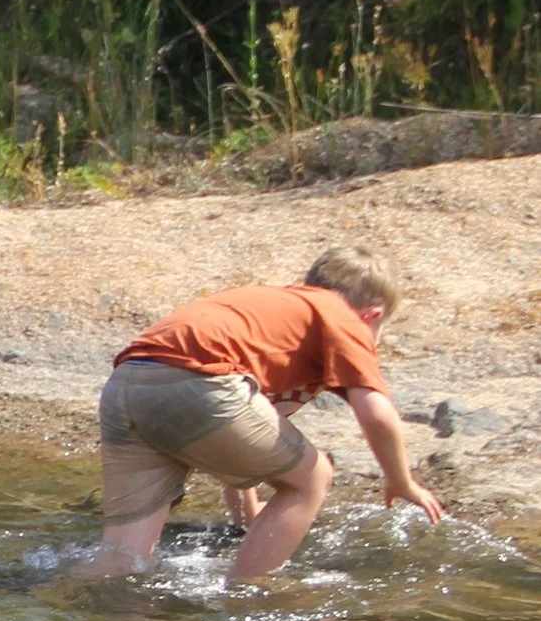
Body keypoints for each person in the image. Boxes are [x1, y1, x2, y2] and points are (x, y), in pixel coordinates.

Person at [89, 244, 444, 581]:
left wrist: (249, 513)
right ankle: (250, 592)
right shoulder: (343, 317)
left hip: (126, 384)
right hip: (198, 384)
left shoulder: (276, 311)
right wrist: (401, 481)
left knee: (122, 561)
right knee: (312, 478)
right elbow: (378, 414)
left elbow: (245, 435)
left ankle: (75, 593)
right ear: (373, 315)